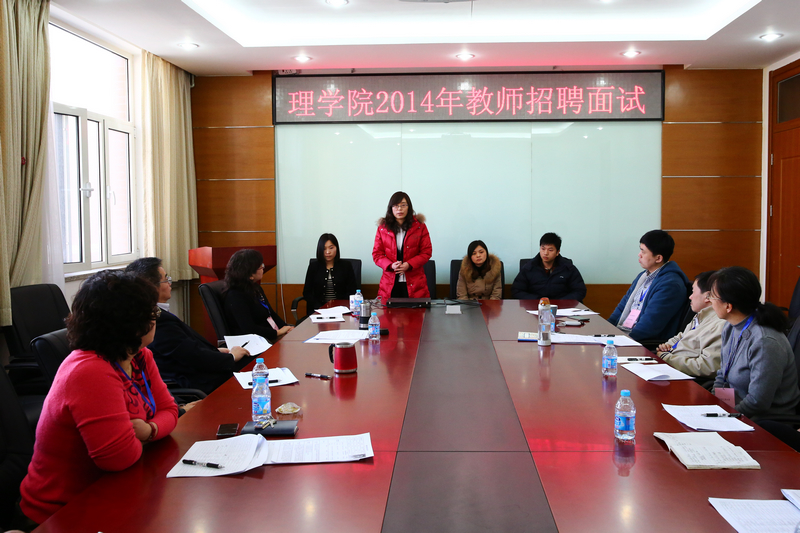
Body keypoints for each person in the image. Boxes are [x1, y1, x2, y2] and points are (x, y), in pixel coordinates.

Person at [19, 271, 178, 525]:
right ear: (129, 322)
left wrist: (149, 430)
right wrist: (146, 433)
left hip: (117, 489)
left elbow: (170, 410)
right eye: (152, 312)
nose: (156, 318)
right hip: (62, 513)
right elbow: (118, 458)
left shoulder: (139, 356)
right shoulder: (90, 371)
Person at [126, 258, 251, 395]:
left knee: (253, 363)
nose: (170, 283)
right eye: (166, 279)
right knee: (254, 371)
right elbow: (192, 356)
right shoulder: (156, 319)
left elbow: (185, 348)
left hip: (198, 370)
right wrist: (231, 357)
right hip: (196, 380)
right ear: (151, 287)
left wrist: (216, 352)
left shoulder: (158, 314)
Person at [710, 266, 800, 423]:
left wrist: (724, 418)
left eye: (712, 296)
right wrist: (712, 405)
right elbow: (722, 374)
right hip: (736, 413)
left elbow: (758, 402)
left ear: (728, 306)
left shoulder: (765, 341)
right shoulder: (730, 327)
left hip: (766, 421)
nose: (709, 300)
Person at [609, 230, 690, 341]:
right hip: (624, 334)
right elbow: (621, 308)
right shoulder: (643, 276)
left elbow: (650, 325)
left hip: (641, 341)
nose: (639, 254)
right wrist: (606, 331)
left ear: (658, 258)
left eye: (643, 251)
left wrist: (620, 341)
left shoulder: (670, 284)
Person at [657, 271, 726, 379]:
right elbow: (681, 337)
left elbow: (707, 366)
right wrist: (667, 346)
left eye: (693, 291)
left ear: (708, 296)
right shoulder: (702, 315)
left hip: (686, 377)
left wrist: (667, 357)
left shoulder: (720, 324)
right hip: (673, 366)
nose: (690, 297)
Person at [223, 249, 294, 342]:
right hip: (253, 342)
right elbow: (249, 329)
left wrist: (287, 328)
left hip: (269, 335)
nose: (263, 268)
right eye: (260, 267)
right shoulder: (235, 296)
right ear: (250, 274)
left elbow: (271, 313)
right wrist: (277, 333)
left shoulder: (255, 288)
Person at [372, 191, 432, 301]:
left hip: (415, 282)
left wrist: (409, 264)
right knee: (388, 311)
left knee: (416, 311)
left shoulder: (420, 226)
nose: (399, 209)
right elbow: (377, 254)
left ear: (409, 207)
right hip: (390, 282)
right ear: (391, 208)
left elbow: (426, 252)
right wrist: (390, 265)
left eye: (403, 205)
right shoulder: (383, 228)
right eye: (396, 206)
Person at [511, 232, 586, 301]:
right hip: (536, 307)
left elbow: (579, 291)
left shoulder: (568, 268)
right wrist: (538, 300)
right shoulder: (529, 267)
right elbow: (517, 291)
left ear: (557, 252)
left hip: (562, 307)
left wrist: (560, 302)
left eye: (550, 250)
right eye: (543, 249)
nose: (545, 253)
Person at [302, 233, 357, 314]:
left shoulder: (346, 266)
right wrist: (320, 308)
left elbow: (352, 291)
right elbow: (307, 292)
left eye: (331, 248)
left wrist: (340, 307)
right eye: (324, 249)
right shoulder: (314, 266)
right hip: (318, 311)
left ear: (336, 248)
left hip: (341, 311)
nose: (328, 252)